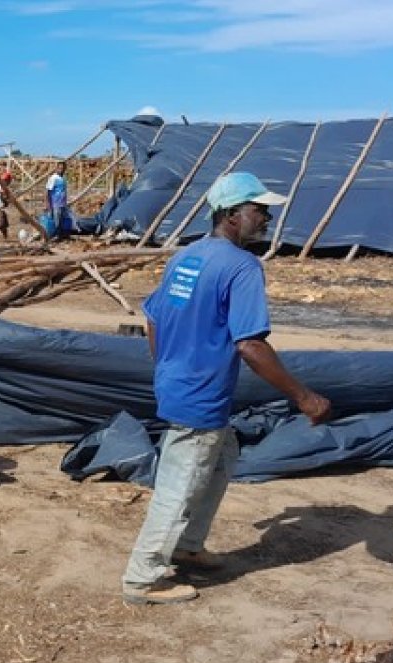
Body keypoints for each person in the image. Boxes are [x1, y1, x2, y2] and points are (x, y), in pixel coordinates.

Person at [121, 172, 332, 605]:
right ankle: (144, 577)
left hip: (180, 384)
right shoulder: (241, 267)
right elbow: (251, 344)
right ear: (232, 216)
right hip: (199, 393)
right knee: (181, 482)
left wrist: (165, 368)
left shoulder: (188, 256)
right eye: (260, 210)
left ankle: (188, 545)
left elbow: (155, 317)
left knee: (223, 455)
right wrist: (304, 397)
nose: (267, 218)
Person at [46, 160, 69, 241]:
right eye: (60, 168)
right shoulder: (53, 178)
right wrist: (49, 205)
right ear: (56, 168)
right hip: (55, 203)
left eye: (63, 168)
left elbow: (64, 191)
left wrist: (66, 202)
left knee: (62, 220)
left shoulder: (64, 178)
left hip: (62, 203)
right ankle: (56, 236)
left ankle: (60, 236)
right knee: (56, 220)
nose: (61, 170)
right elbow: (48, 191)